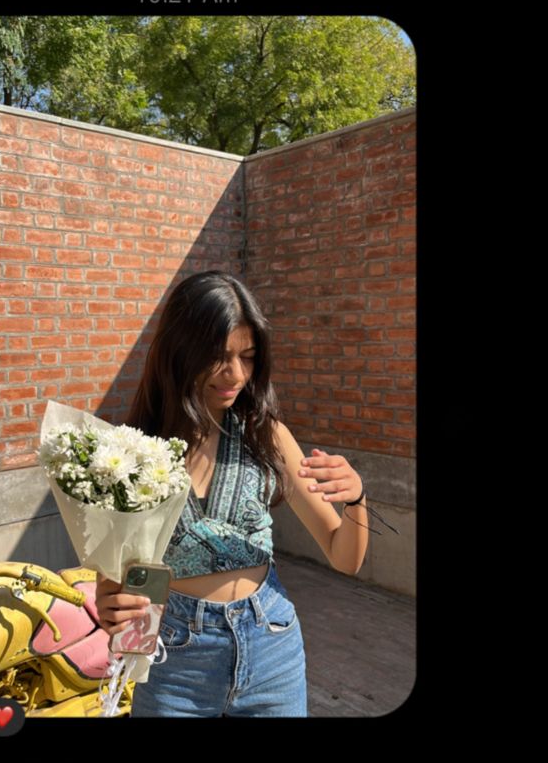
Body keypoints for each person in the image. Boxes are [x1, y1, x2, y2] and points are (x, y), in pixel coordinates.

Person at [95, 270, 369, 717]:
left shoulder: (268, 436)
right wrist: (110, 604)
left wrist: (356, 498)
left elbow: (346, 557)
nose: (236, 374)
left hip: (271, 645)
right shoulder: (133, 451)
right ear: (181, 351)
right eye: (219, 356)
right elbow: (117, 578)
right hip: (174, 657)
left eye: (248, 356)